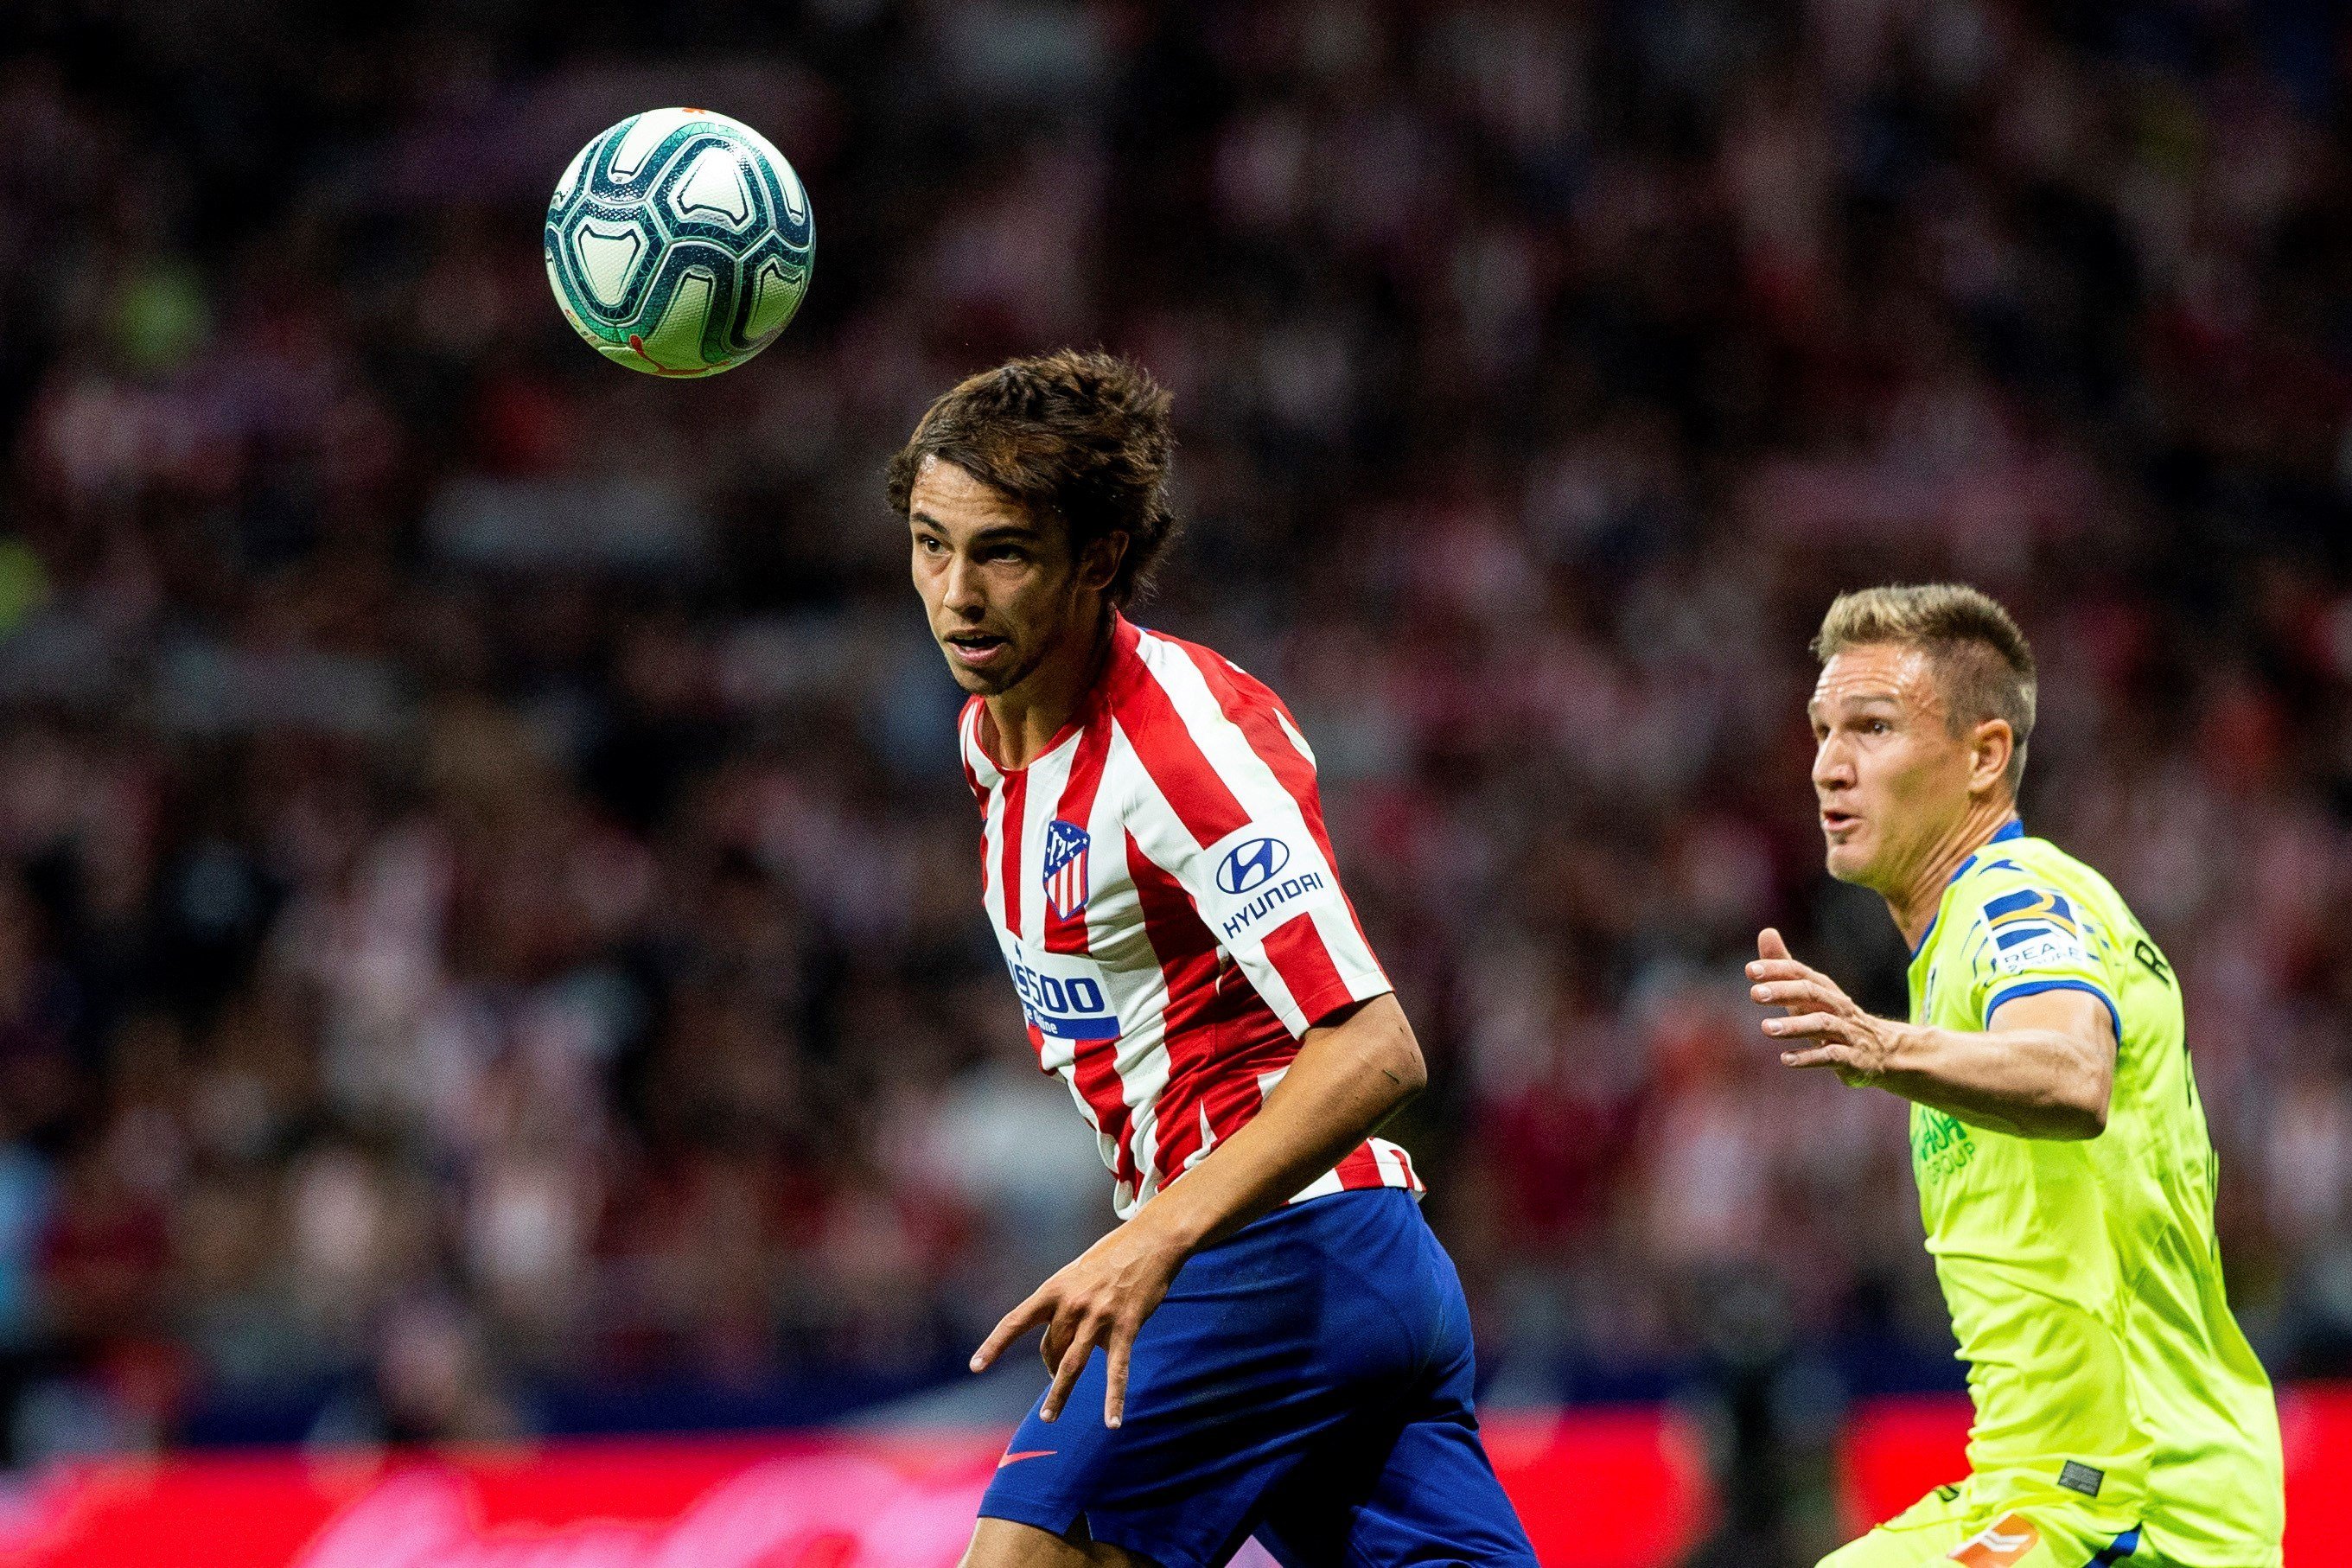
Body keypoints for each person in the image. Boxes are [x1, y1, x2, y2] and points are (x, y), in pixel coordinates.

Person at [889, 350, 1537, 1568]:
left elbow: (1375, 1044)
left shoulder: (1183, 747)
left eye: (1005, 552)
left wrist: (1150, 1237)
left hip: (1277, 1253)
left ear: (1100, 556)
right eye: (933, 544)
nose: (957, 593)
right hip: (1348, 1270)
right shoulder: (993, 739)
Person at [1747, 584, 2284, 1568]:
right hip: (2074, 1482)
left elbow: (2075, 1073)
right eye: (1822, 728)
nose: (1830, 763)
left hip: (2118, 1497)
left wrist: (1882, 1047)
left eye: (1873, 725)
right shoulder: (1957, 945)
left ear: (1984, 755)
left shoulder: (2015, 895)